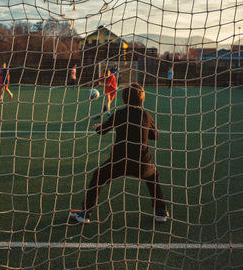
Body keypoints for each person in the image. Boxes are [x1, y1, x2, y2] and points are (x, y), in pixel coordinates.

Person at [70, 83, 169, 224]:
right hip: (142, 164)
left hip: (119, 162)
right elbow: (155, 136)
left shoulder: (120, 114)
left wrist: (98, 127)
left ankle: (85, 213)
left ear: (124, 99)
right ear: (142, 99)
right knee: (153, 176)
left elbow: (102, 131)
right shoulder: (146, 115)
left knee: (99, 176)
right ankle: (160, 212)